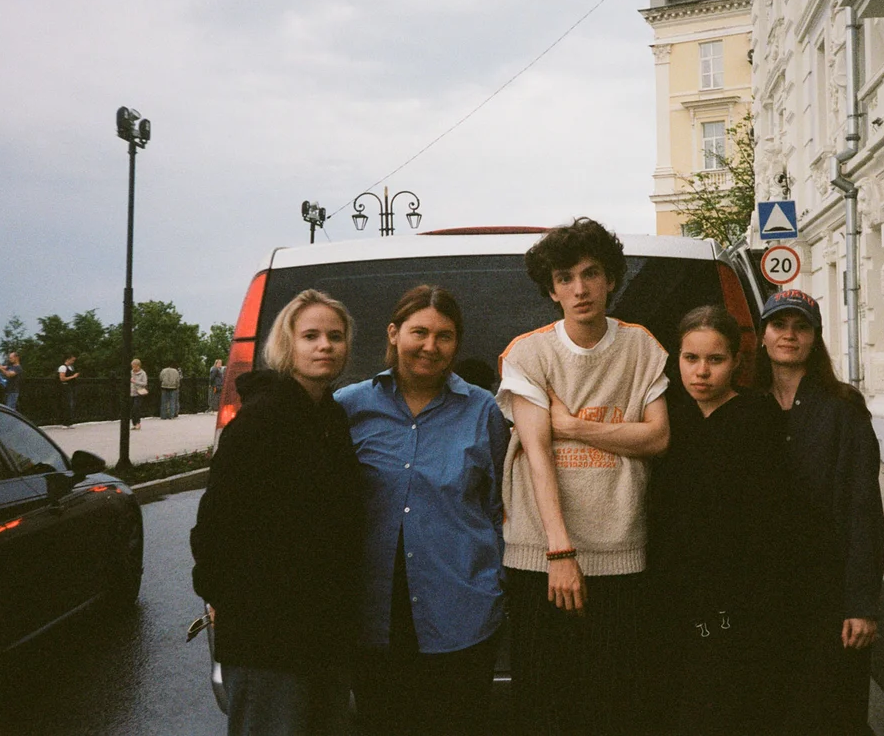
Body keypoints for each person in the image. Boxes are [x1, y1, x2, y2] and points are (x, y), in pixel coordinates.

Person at [496, 217, 670, 734]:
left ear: (610, 279)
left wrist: (572, 426)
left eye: (591, 273)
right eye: (565, 278)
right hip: (541, 553)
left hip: (619, 547)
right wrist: (560, 554)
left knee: (614, 699)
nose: (580, 288)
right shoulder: (529, 352)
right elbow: (537, 454)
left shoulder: (641, 347)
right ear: (552, 290)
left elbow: (657, 438)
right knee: (543, 700)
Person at [335, 284, 508, 735]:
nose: (431, 346)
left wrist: (495, 584)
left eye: (444, 336)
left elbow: (501, 507)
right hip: (373, 613)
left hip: (462, 610)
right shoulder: (349, 407)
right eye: (419, 332)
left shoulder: (481, 409)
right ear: (394, 334)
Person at [191, 289, 363, 736]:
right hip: (267, 640)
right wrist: (225, 601)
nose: (325, 345)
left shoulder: (330, 418)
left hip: (323, 633)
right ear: (287, 344)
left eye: (335, 336)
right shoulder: (259, 422)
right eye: (310, 336)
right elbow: (214, 528)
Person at [645, 306, 793, 734]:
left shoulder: (759, 416)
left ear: (736, 361)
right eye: (691, 358)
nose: (702, 371)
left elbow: (772, 514)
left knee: (727, 702)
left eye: (715, 359)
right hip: (672, 587)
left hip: (737, 591)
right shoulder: (668, 418)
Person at [758, 290, 884, 734]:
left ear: (815, 338)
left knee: (832, 713)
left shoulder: (843, 408)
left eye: (801, 327)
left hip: (827, 593)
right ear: (762, 335)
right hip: (767, 593)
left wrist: (862, 604)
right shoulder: (748, 405)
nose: (789, 335)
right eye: (779, 325)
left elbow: (863, 511)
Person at [58, 355, 79, 426]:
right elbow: (62, 378)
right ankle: (65, 422)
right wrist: (73, 376)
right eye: (72, 360)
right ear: (67, 359)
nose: (73, 362)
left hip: (71, 387)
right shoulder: (63, 367)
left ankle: (70, 422)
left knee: (71, 404)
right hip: (65, 387)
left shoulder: (71, 368)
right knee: (66, 404)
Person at [130, 359, 148, 430]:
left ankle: (138, 423)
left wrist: (135, 381)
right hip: (132, 392)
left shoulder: (143, 373)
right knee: (132, 409)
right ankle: (134, 424)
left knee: (136, 408)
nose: (133, 368)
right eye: (132, 366)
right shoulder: (131, 372)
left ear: (138, 366)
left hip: (139, 393)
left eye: (134, 366)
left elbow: (144, 383)